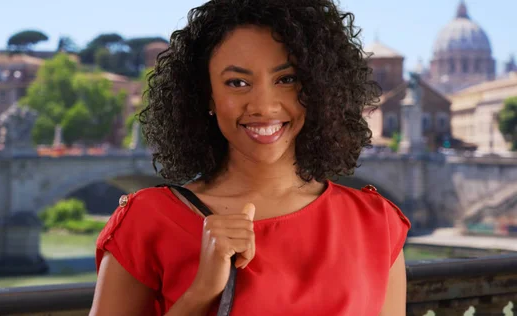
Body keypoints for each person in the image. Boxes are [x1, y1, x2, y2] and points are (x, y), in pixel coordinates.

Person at [90, 0, 411, 315]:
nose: (264, 105)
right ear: (207, 96)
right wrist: (201, 293)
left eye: (286, 79)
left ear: (319, 88)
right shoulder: (147, 221)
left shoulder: (376, 223)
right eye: (238, 83)